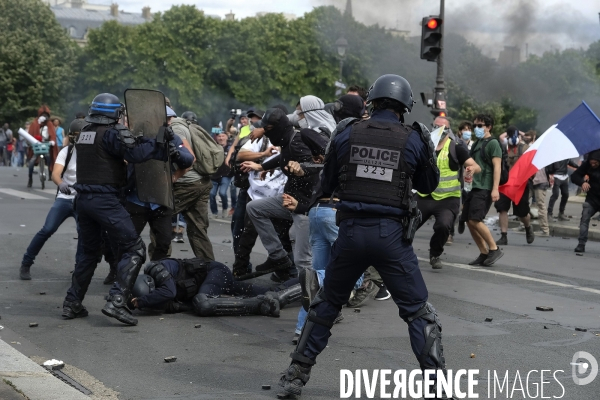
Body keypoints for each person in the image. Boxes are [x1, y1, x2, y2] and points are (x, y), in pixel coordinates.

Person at [277, 74, 449, 399]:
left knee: (326, 304)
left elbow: (326, 184)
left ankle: (295, 376)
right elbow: (429, 186)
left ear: (372, 101)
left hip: (351, 233)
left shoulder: (347, 134)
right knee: (418, 313)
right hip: (392, 239)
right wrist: (424, 147)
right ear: (405, 107)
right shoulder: (413, 138)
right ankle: (437, 388)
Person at [61, 93, 183, 326]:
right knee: (135, 248)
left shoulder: (85, 131)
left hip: (83, 200)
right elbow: (135, 154)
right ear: (114, 113)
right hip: (105, 200)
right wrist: (158, 140)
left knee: (88, 254)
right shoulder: (113, 132)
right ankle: (117, 301)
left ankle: (72, 303)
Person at [241, 104, 324, 276]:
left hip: (304, 206)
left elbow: (314, 166)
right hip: (289, 199)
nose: (267, 132)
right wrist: (262, 166)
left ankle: (313, 297)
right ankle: (278, 257)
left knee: (303, 260)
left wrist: (301, 169)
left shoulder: (298, 141)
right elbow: (283, 158)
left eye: (269, 129)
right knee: (254, 208)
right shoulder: (289, 141)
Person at [123, 106, 194, 262]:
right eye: (166, 119)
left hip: (161, 200)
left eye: (170, 119)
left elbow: (189, 160)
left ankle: (156, 273)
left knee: (163, 242)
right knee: (127, 242)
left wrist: (177, 154)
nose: (170, 122)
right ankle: (121, 272)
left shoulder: (173, 138)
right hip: (136, 198)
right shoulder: (135, 137)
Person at [19, 119, 85, 280]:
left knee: (83, 234)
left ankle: (80, 270)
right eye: (76, 136)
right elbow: (56, 173)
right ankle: (26, 263)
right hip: (64, 197)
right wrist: (61, 183)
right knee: (47, 229)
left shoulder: (94, 154)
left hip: (83, 200)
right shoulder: (66, 152)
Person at [130, 257, 301, 317]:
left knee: (204, 303)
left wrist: (141, 302)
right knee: (272, 292)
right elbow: (181, 305)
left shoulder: (157, 268)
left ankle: (259, 306)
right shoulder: (161, 295)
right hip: (213, 284)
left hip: (215, 271)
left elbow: (169, 292)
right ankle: (307, 281)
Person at [416, 116, 481, 269]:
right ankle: (395, 255)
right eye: (436, 126)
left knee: (443, 226)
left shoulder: (456, 146)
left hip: (447, 198)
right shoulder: (424, 145)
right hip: (424, 196)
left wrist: (471, 170)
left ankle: (435, 253)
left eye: (443, 127)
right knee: (406, 225)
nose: (439, 130)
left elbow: (476, 166)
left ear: (448, 130)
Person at [169, 110, 215, 261]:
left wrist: (174, 177)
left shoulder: (175, 129)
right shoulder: (188, 125)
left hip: (186, 184)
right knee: (198, 230)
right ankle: (209, 270)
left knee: (159, 219)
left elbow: (190, 158)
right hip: (202, 182)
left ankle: (160, 268)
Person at [460, 114, 504, 266]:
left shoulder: (493, 144)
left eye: (480, 126)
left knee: (475, 219)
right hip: (473, 186)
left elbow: (497, 167)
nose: (476, 129)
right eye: (475, 126)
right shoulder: (477, 143)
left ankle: (494, 248)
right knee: (468, 220)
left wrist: (495, 189)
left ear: (489, 127)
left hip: (484, 187)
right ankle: (484, 252)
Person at [494, 126, 534, 246]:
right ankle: (504, 236)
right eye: (511, 135)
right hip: (505, 184)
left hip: (520, 185)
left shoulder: (525, 148)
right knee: (502, 208)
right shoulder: (503, 148)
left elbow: (531, 166)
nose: (513, 138)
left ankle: (528, 227)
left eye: (515, 135)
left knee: (522, 213)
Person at [570, 150, 600, 253]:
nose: (593, 164)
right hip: (592, 198)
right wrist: (582, 182)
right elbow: (574, 176)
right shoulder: (587, 164)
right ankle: (581, 244)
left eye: (595, 162)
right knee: (584, 220)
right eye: (591, 162)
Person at [27, 106, 57, 187]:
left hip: (46, 145)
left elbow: (53, 135)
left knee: (49, 158)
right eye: (43, 114)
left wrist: (52, 141)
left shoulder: (49, 123)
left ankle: (50, 173)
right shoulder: (35, 123)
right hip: (36, 146)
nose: (44, 116)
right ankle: (30, 178)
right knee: (32, 162)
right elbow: (30, 135)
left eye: (46, 114)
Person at [210, 129, 233, 219]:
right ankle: (214, 212)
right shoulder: (213, 147)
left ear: (226, 137)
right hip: (214, 175)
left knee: (223, 193)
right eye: (219, 136)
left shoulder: (230, 148)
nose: (221, 138)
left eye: (223, 136)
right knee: (212, 194)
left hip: (226, 175)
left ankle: (225, 208)